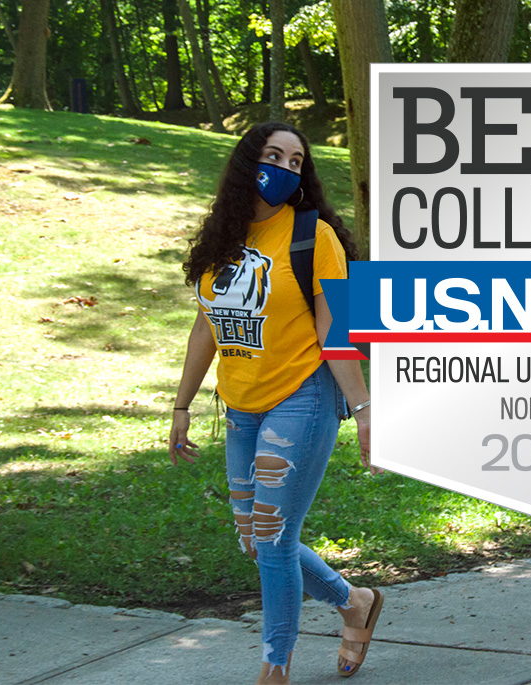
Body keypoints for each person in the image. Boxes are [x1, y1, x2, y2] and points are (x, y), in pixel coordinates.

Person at [168, 122, 383, 684]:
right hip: (238, 406)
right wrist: (181, 406)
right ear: (247, 163)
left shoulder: (315, 237)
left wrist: (364, 411)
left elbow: (336, 332)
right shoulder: (223, 237)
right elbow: (204, 328)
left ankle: (274, 666)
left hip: (302, 397)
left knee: (274, 537)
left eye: (295, 161)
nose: (285, 169)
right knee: (256, 539)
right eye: (273, 156)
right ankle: (352, 601)